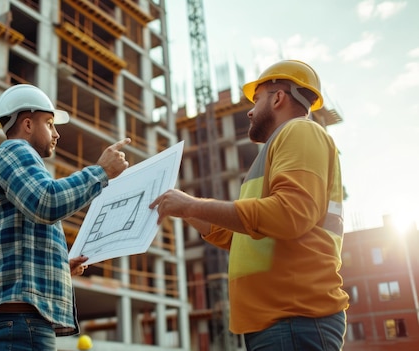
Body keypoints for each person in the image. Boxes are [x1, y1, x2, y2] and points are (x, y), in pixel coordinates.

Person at [150, 60, 349, 351]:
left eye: (256, 99)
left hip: (294, 317)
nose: (250, 110)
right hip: (275, 321)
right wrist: (185, 209)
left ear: (278, 97)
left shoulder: (300, 132)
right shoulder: (272, 153)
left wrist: (193, 205)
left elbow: (289, 216)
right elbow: (241, 236)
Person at [0, 84, 131, 351]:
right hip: (14, 322)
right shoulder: (15, 150)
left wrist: (59, 267)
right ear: (27, 124)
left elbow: (12, 241)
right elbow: (46, 201)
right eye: (49, 124)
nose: (56, 133)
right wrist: (101, 172)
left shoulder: (0, 166)